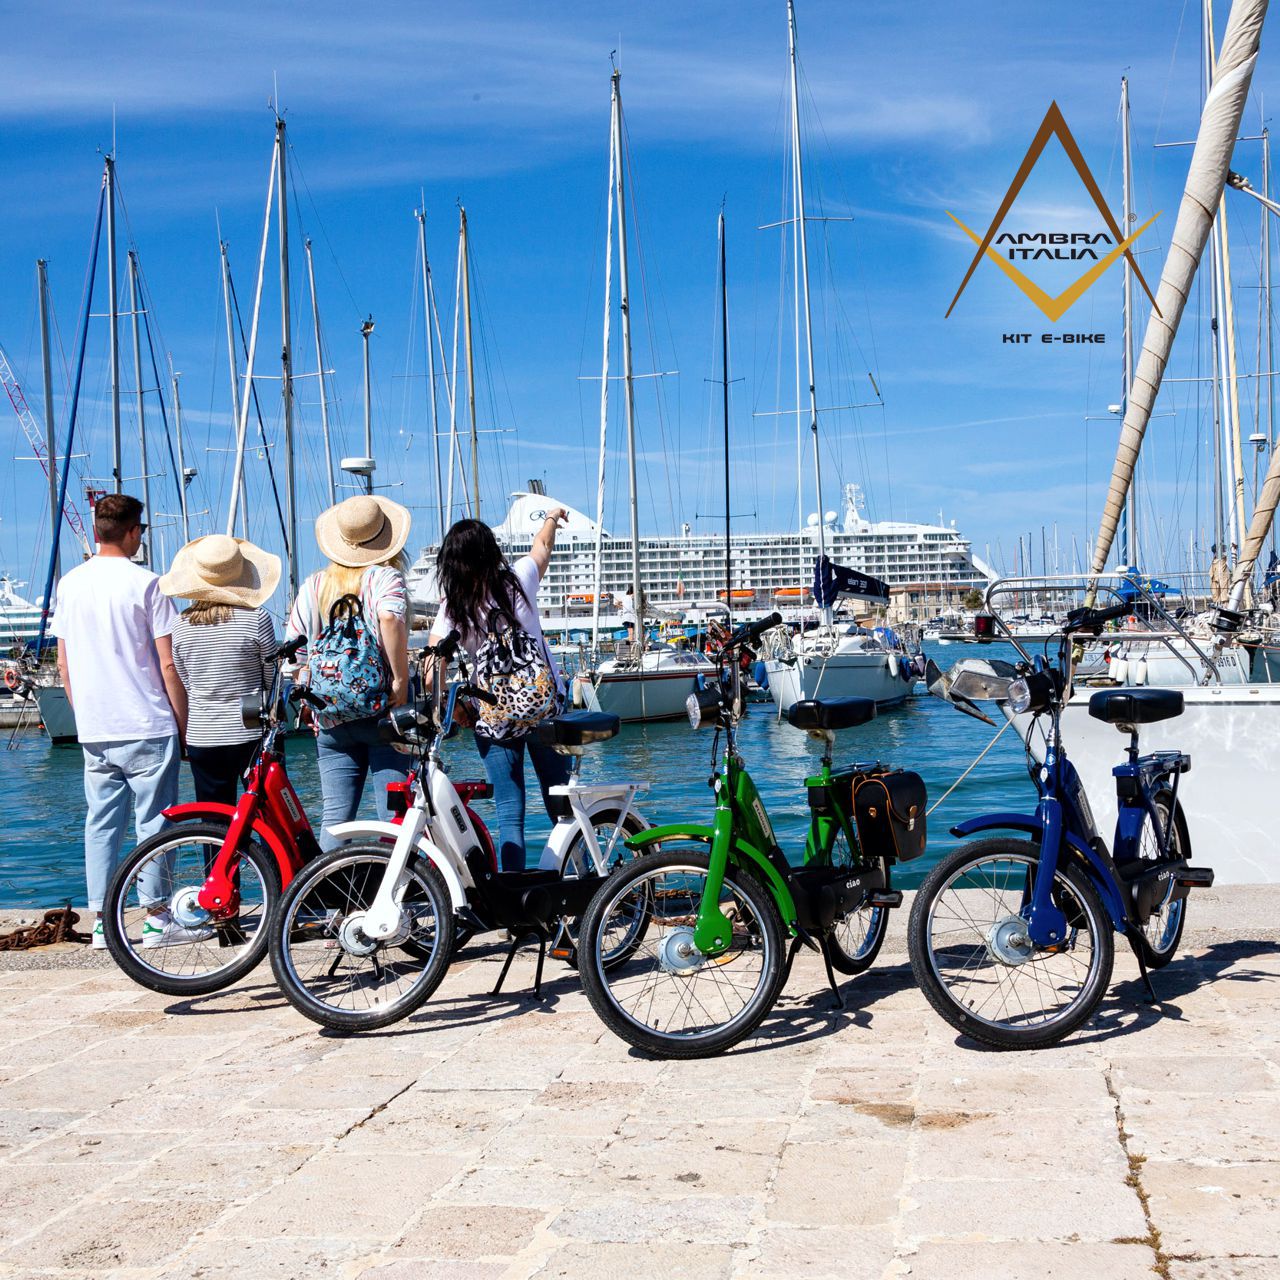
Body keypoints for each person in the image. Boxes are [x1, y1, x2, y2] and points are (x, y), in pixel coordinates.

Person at [51, 493, 206, 950]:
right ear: (134, 531)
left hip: (96, 726)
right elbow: (168, 664)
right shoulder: (148, 584)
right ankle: (157, 919)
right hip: (146, 720)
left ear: (97, 530)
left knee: (101, 824)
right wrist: (183, 723)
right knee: (155, 823)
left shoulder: (70, 584)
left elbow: (63, 664)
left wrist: (85, 715)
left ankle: (104, 922)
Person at [428, 509, 568, 872]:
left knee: (509, 811)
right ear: (491, 550)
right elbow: (543, 546)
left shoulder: (453, 607)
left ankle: (516, 897)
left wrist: (451, 709)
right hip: (544, 709)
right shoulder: (518, 580)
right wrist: (551, 518)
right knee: (561, 807)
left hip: (494, 716)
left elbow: (431, 671)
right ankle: (583, 884)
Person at [287, 494, 412, 850]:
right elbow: (389, 618)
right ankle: (396, 882)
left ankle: (329, 884)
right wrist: (400, 680)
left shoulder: (314, 585)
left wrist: (311, 699)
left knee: (336, 818)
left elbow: (295, 653)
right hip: (383, 713)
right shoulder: (384, 577)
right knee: (393, 815)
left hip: (331, 719)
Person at [159, 534, 281, 806]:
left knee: (213, 818)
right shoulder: (256, 618)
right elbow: (271, 678)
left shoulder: (180, 625)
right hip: (251, 732)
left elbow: (186, 682)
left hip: (203, 735)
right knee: (265, 812)